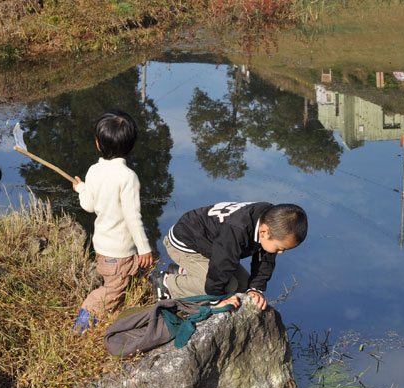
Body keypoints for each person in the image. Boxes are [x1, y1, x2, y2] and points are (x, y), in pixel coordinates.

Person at [72, 109, 153, 334]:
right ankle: (81, 326)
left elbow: (89, 205)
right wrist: (144, 248)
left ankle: (113, 324)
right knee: (111, 293)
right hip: (119, 253)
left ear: (98, 144)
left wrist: (81, 189)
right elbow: (133, 217)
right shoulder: (128, 177)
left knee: (120, 289)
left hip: (102, 248)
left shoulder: (93, 170)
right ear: (132, 145)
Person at [152, 202, 307, 310]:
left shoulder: (270, 220)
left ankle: (188, 273)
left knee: (244, 286)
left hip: (214, 247)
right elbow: (221, 265)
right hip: (185, 245)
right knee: (228, 286)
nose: (281, 252)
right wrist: (216, 299)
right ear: (264, 232)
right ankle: (166, 283)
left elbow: (265, 258)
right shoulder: (236, 230)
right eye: (280, 248)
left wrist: (256, 288)